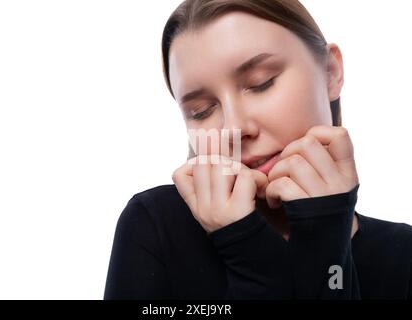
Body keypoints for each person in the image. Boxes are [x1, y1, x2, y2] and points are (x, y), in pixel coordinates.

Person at [104, 0, 412, 299]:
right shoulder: (155, 226)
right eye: (200, 110)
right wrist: (249, 255)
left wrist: (327, 242)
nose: (234, 128)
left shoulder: (403, 253)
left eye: (261, 83)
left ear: (330, 72)